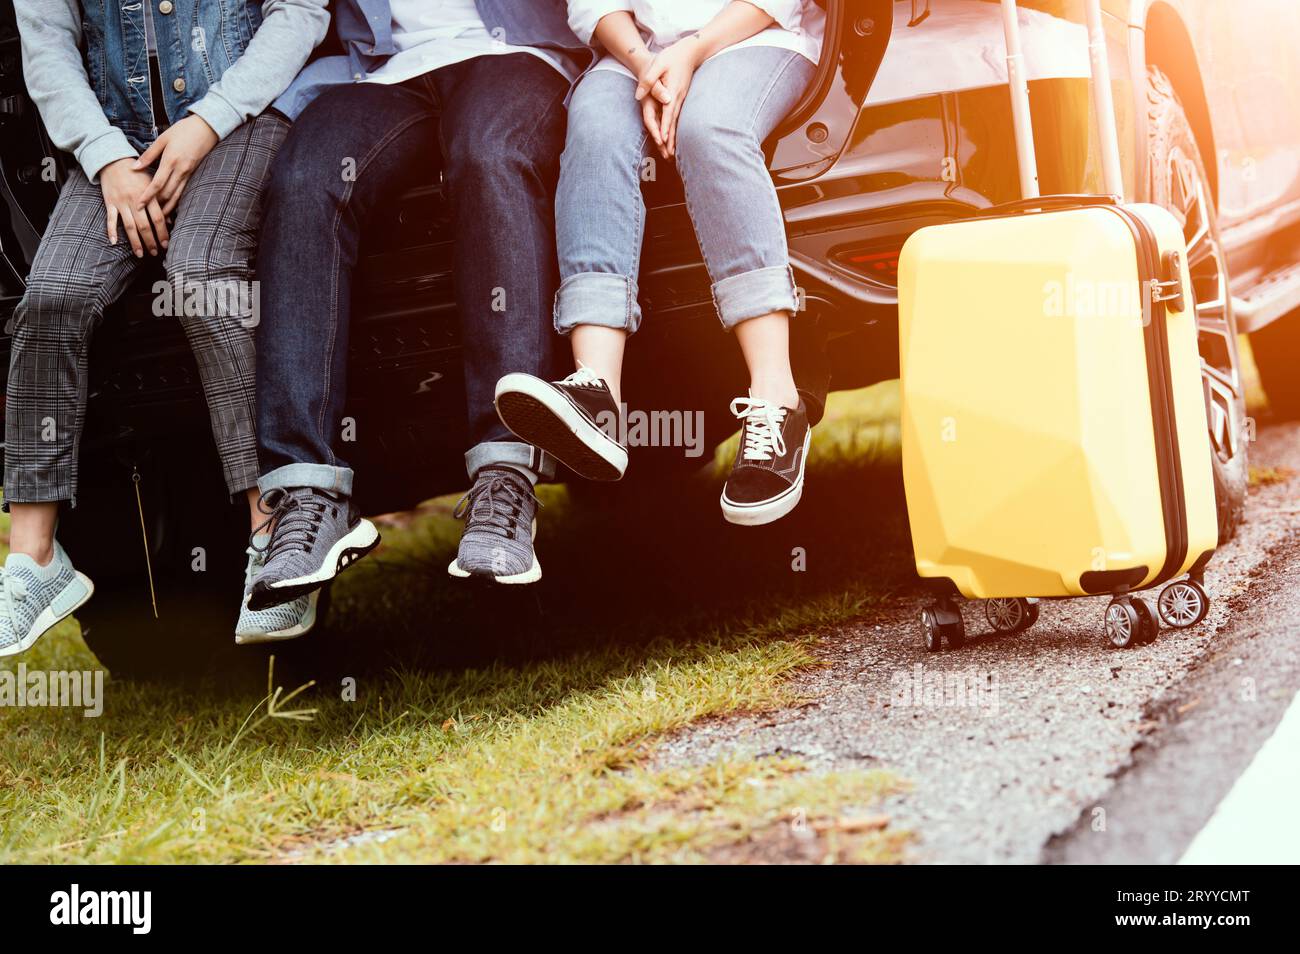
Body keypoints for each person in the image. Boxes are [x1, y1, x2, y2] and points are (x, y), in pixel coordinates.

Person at [243, 1, 592, 626]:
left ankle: (505, 475)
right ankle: (307, 493)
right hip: (384, 71)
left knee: (487, 154)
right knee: (304, 178)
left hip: (515, 55)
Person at [0, 0, 330, 658]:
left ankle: (272, 538)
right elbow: (49, 49)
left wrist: (207, 122)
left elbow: (300, 11)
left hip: (240, 118)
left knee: (202, 278)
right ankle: (33, 559)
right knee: (54, 298)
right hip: (116, 149)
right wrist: (106, 159)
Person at [493, 0, 823, 526]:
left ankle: (777, 400)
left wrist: (692, 50)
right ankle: (597, 393)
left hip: (758, 36)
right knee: (595, 133)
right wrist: (648, 64)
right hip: (635, 55)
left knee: (709, 130)